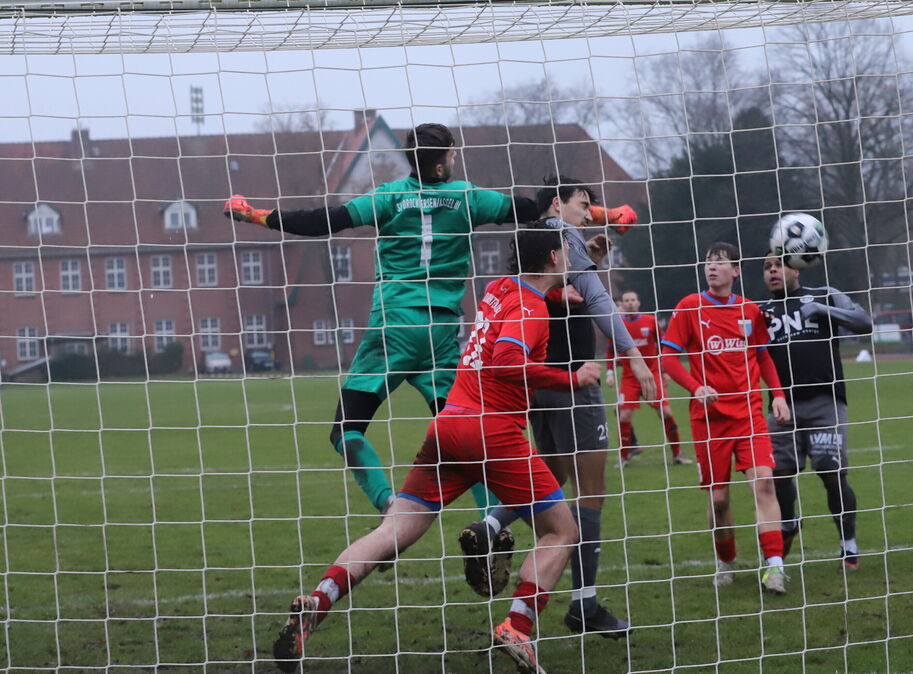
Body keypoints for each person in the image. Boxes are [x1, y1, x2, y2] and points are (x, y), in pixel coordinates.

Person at [225, 125, 638, 516]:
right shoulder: (466, 197)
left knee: (346, 430)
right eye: (453, 154)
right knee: (467, 437)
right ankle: (491, 528)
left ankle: (389, 505)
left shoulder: (386, 198)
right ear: (441, 166)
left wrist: (255, 215)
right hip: (441, 332)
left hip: (394, 327)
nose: (457, 159)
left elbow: (321, 221)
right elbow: (535, 208)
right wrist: (606, 214)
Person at [270, 225, 601, 673]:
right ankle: (518, 627)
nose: (571, 259)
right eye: (566, 251)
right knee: (562, 531)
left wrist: (559, 296)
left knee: (392, 531)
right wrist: (572, 378)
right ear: (552, 259)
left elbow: (518, 310)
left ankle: (318, 600)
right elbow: (507, 357)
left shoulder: (500, 288)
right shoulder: (531, 307)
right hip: (493, 433)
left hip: (447, 427)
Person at [459, 177, 656, 638]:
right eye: (582, 205)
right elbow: (600, 300)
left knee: (554, 473)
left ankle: (489, 525)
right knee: (592, 493)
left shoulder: (539, 244)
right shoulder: (561, 239)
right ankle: (583, 604)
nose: (589, 214)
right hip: (572, 381)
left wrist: (591, 258)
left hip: (539, 384)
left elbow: (558, 290)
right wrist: (635, 357)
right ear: (557, 204)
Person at [659, 242, 792, 594]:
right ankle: (726, 560)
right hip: (709, 420)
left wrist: (778, 395)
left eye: (720, 263)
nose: (712, 268)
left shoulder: (749, 311)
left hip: (749, 413)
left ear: (736, 271)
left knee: (765, 484)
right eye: (708, 263)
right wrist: (694, 386)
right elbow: (668, 358)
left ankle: (775, 567)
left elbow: (762, 358)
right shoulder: (690, 307)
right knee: (718, 501)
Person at [759, 255, 872, 567]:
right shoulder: (760, 312)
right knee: (778, 474)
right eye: (767, 268)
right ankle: (789, 521)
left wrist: (824, 310)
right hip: (782, 406)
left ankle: (848, 543)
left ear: (796, 269)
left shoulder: (824, 294)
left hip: (825, 402)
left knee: (830, 472)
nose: (772, 272)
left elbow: (864, 323)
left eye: (779, 266)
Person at [605, 290, 692, 467]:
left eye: (632, 300)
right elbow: (609, 351)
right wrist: (609, 373)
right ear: (623, 303)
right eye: (626, 300)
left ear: (638, 303)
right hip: (630, 378)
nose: (629, 303)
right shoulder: (617, 324)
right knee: (624, 416)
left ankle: (677, 454)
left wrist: (665, 371)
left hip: (652, 375)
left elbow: (663, 348)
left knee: (666, 413)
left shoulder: (651, 321)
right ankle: (623, 457)